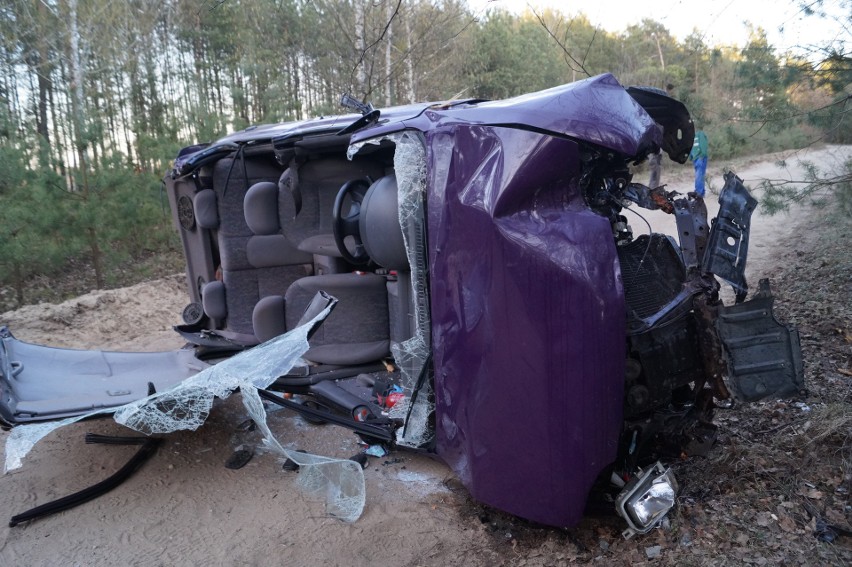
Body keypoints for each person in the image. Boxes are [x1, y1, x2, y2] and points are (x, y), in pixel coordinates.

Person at [689, 130, 709, 197]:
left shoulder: (700, 134)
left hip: (700, 157)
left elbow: (703, 145)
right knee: (700, 175)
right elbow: (690, 147)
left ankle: (698, 192)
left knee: (699, 175)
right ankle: (701, 192)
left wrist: (702, 155)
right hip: (696, 158)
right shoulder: (692, 136)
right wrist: (691, 157)